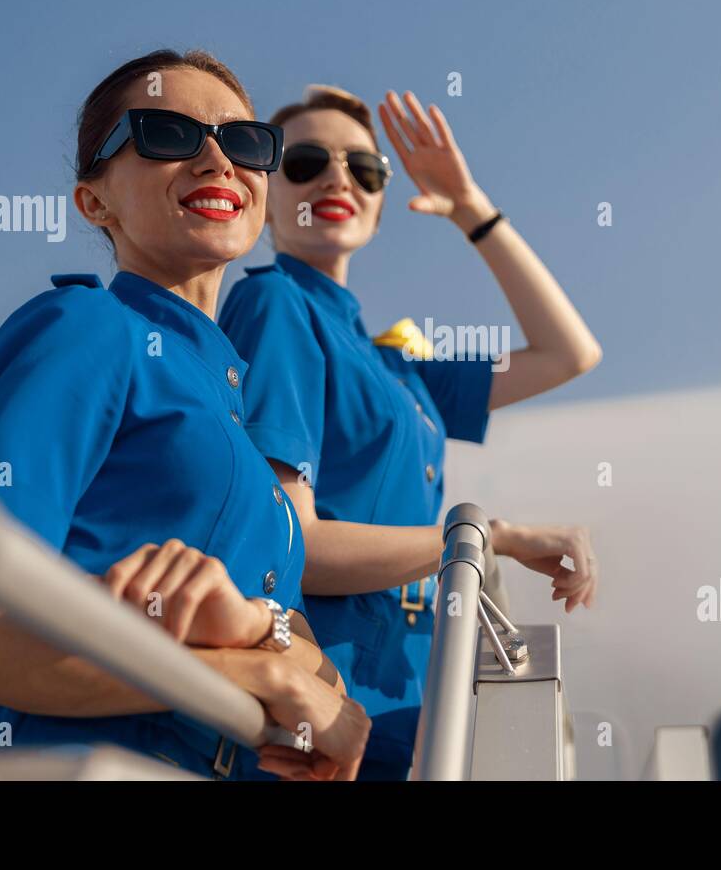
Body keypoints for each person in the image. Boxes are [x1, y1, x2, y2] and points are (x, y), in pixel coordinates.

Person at [0, 50, 369, 781]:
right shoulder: (88, 327)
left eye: (246, 142)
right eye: (168, 135)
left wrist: (257, 626)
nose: (218, 160)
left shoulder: (246, 441)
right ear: (95, 202)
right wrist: (245, 672)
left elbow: (319, 681)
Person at [217, 85, 602, 778]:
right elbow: (293, 541)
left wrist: (469, 209)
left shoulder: (398, 368)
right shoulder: (275, 303)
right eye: (306, 162)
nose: (338, 178)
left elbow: (569, 353)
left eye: (365, 170)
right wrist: (491, 540)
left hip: (413, 701)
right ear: (264, 194)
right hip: (326, 696)